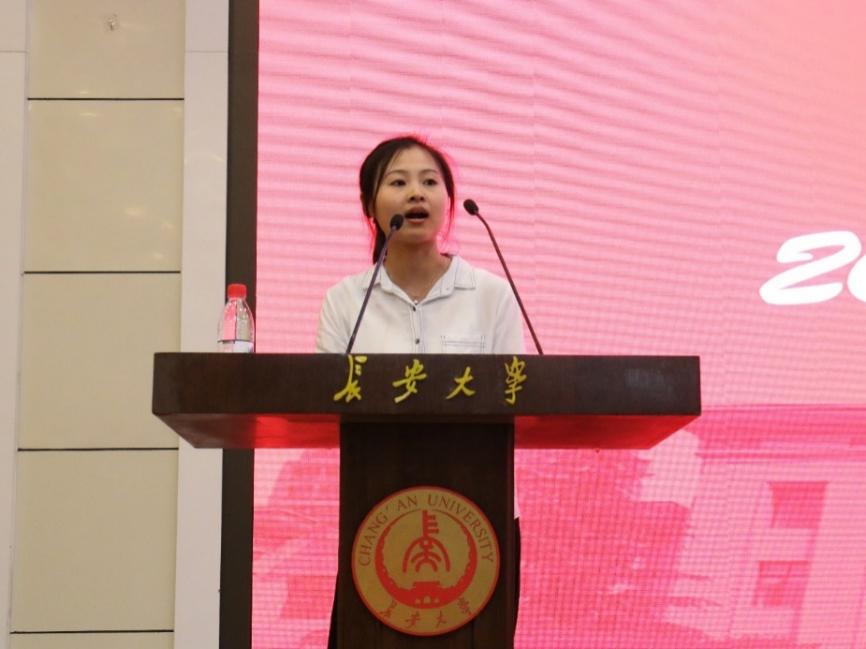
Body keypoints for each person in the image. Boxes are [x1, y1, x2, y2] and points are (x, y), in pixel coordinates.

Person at [317, 135, 523, 646]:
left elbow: (517, 398)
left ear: (448, 203)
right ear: (370, 205)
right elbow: (322, 401)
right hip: (376, 514)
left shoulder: (491, 295)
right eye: (399, 182)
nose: (417, 193)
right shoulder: (346, 302)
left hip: (482, 520)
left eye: (430, 182)